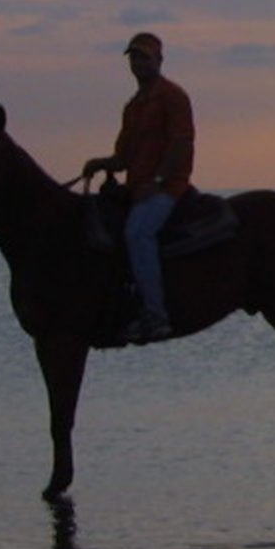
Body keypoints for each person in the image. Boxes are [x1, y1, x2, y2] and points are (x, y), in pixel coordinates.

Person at [74, 31, 193, 343]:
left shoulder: (172, 96)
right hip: (138, 189)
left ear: (159, 60)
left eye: (145, 57)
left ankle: (156, 315)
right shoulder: (133, 106)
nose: (139, 63)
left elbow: (181, 143)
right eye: (135, 58)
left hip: (168, 188)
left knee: (138, 233)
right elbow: (124, 158)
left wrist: (158, 181)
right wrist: (99, 163)